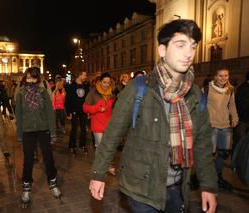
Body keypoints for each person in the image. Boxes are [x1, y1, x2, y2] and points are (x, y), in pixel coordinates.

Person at [89, 19, 217, 213]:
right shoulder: (139, 87)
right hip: (141, 188)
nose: (189, 53)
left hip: (177, 188)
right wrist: (98, 174)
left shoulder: (195, 94)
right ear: (162, 50)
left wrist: (208, 185)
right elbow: (113, 134)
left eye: (193, 46)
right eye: (180, 45)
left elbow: (202, 144)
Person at [15, 67, 61, 207]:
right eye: (28, 77)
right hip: (28, 130)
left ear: (38, 79)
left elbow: (50, 113)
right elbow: (19, 115)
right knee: (28, 160)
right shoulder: (21, 94)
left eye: (33, 78)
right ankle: (26, 188)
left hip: (43, 129)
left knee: (48, 158)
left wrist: (52, 132)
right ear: (25, 78)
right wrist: (19, 134)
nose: (31, 80)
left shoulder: (43, 92)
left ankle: (53, 183)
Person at [207, 67, 239, 191]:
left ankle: (218, 177)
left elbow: (232, 104)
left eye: (226, 75)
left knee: (223, 153)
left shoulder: (230, 89)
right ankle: (203, 177)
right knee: (211, 154)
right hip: (212, 125)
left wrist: (235, 117)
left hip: (225, 125)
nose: (223, 78)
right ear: (215, 76)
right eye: (220, 75)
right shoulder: (207, 88)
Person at [83, 72, 116, 175]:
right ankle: (102, 166)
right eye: (104, 82)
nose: (106, 84)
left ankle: (105, 164)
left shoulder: (111, 94)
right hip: (97, 124)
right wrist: (96, 108)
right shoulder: (93, 93)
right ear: (100, 82)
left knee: (108, 146)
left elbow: (112, 109)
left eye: (108, 83)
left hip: (108, 125)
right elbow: (85, 107)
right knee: (101, 146)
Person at [65, 71, 89, 155]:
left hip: (84, 111)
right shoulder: (71, 86)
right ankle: (72, 146)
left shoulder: (86, 86)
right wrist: (69, 112)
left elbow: (88, 100)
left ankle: (82, 144)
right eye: (84, 75)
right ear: (79, 75)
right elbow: (68, 100)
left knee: (83, 129)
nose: (86, 76)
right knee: (74, 129)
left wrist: (88, 111)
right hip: (74, 110)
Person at [233, 71, 249, 151]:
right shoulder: (243, 89)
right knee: (240, 141)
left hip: (244, 119)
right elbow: (243, 105)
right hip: (243, 120)